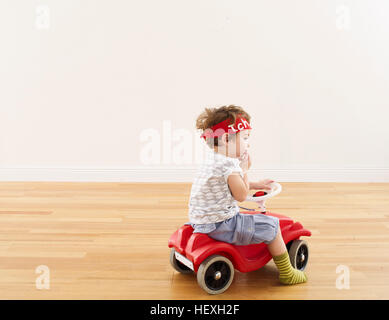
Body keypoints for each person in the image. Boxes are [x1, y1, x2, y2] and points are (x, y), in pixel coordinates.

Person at [187, 105, 307, 285]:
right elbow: (241, 195)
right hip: (221, 224)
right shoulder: (230, 165)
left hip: (200, 220)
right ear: (227, 139)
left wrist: (257, 185)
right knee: (273, 227)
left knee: (247, 215)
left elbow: (227, 186)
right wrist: (244, 169)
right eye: (245, 138)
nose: (248, 143)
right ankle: (288, 273)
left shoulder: (212, 160)